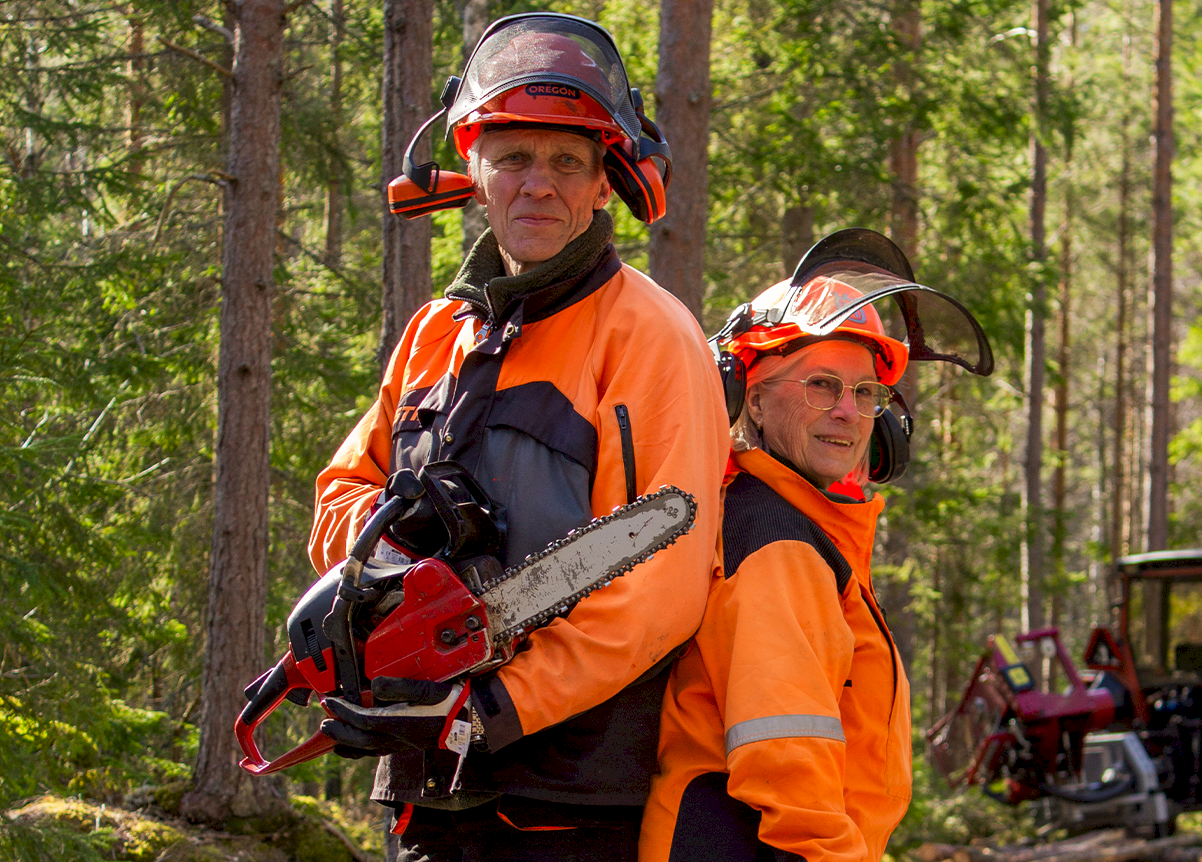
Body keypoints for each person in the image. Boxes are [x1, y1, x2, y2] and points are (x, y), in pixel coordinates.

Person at [305, 12, 729, 862]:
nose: (539, 184)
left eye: (566, 161)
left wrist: (498, 705)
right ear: (474, 169)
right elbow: (339, 494)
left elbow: (663, 582)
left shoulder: (648, 335)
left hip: (567, 793)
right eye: (514, 158)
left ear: (604, 181)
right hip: (425, 777)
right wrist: (395, 559)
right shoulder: (437, 330)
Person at [639, 230, 993, 862]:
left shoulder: (799, 528)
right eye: (822, 385)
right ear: (754, 399)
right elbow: (786, 762)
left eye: (865, 394)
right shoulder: (779, 543)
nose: (848, 412)